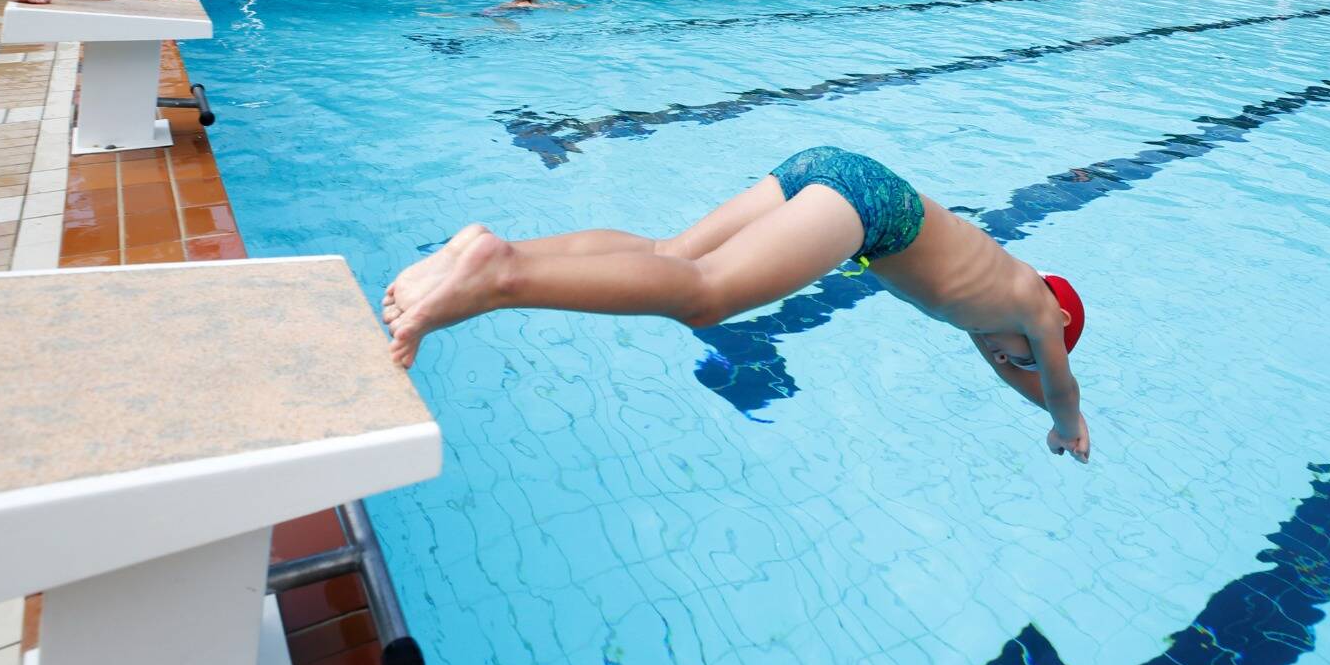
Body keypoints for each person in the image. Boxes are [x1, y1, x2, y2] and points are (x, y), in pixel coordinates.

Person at [382, 147, 1092, 460]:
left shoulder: (989, 318)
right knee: (705, 296)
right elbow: (1058, 383)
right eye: (1018, 354)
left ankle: (489, 249)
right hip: (869, 206)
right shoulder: (1031, 302)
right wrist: (1072, 425)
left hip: (834, 167)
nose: (1008, 359)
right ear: (1055, 322)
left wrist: (1043, 410)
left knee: (671, 253)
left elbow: (1023, 379)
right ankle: (503, 280)